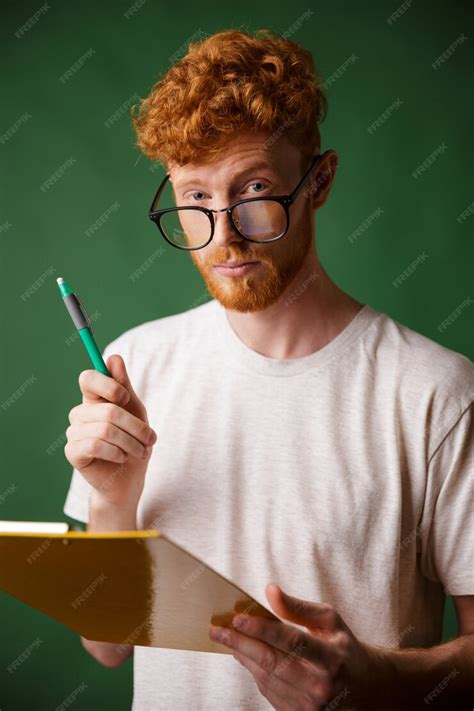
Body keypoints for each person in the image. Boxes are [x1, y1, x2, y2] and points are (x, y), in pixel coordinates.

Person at [63, 28, 474, 711]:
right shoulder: (140, 365)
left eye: (253, 188)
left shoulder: (435, 393)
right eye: (194, 198)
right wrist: (112, 497)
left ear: (319, 182)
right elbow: (105, 647)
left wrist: (377, 679)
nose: (223, 234)